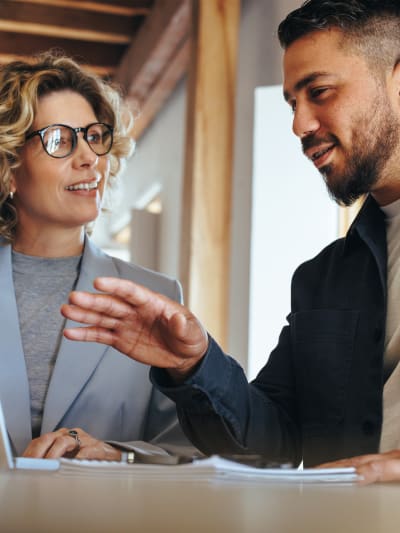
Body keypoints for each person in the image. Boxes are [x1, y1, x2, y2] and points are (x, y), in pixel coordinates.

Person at [60, 0, 400, 479]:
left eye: (319, 91)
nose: (299, 125)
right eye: (292, 103)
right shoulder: (322, 279)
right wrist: (194, 365)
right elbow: (269, 446)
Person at [0, 50, 194, 461]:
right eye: (60, 141)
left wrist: (119, 455)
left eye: (94, 136)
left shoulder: (155, 295)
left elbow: (188, 447)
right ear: (9, 166)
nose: (89, 157)